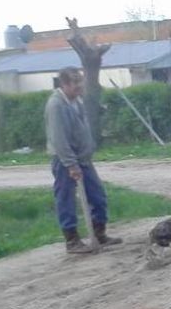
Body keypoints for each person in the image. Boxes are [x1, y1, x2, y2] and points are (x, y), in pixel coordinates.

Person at [45, 67, 122, 254]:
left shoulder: (76, 101)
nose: (80, 86)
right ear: (64, 84)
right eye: (76, 83)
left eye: (81, 81)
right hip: (65, 161)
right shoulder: (57, 105)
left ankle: (99, 233)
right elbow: (59, 138)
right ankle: (72, 240)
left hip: (83, 158)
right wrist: (71, 164)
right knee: (66, 199)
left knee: (97, 195)